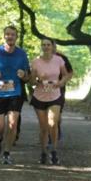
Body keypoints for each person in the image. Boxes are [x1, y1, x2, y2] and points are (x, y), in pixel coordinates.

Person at [0, 25, 30, 166]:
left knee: (12, 123)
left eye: (13, 34)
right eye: (8, 34)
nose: (10, 36)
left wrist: (23, 75)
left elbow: (27, 76)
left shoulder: (21, 54)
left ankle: (7, 153)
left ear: (16, 37)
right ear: (4, 36)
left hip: (15, 93)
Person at [29, 37, 69, 165]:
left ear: (52, 47)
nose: (46, 47)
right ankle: (43, 152)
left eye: (48, 45)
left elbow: (66, 75)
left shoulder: (59, 60)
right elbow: (31, 81)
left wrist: (60, 83)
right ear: (41, 46)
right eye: (44, 45)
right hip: (39, 96)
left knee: (52, 123)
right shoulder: (36, 62)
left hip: (55, 96)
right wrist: (37, 80)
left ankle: (54, 151)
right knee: (43, 127)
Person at [52, 50, 74, 146]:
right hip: (45, 90)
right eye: (44, 45)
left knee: (57, 113)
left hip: (59, 89)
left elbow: (70, 72)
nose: (47, 47)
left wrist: (62, 82)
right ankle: (49, 135)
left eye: (50, 45)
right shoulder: (40, 58)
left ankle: (56, 129)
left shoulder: (62, 58)